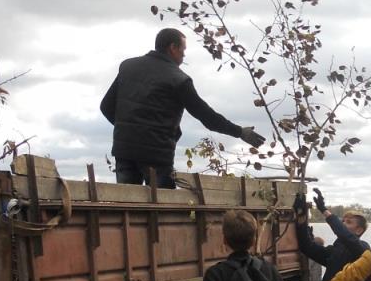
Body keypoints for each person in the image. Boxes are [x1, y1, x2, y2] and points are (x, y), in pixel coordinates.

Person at [100, 27, 266, 188]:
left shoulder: (128, 67)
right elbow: (206, 116)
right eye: (183, 49)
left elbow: (106, 107)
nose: (184, 55)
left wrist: (132, 130)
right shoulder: (178, 79)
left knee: (125, 205)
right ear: (172, 48)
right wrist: (239, 132)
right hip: (157, 155)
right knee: (162, 209)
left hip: (124, 151)